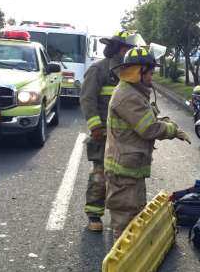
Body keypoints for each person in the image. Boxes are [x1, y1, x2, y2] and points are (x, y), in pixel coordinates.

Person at [104, 47, 190, 238]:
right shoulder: (128, 96)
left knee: (133, 214)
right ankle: (121, 267)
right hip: (123, 172)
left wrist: (166, 122)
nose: (152, 77)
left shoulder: (134, 92)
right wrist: (172, 130)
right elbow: (148, 128)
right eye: (150, 73)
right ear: (138, 72)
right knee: (124, 222)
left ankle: (130, 263)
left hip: (129, 169)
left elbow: (148, 119)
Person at [79, 30, 145, 231]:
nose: (131, 52)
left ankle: (126, 215)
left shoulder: (132, 72)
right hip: (104, 134)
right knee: (100, 175)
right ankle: (94, 215)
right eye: (128, 48)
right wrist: (95, 126)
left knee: (126, 177)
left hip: (126, 136)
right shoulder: (98, 70)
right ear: (118, 49)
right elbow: (87, 99)